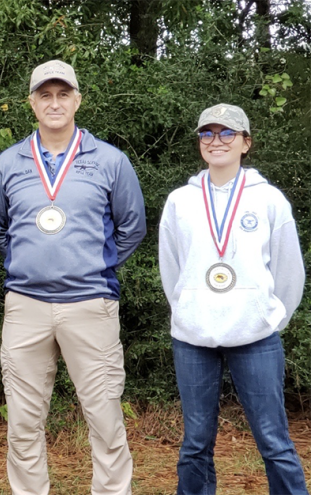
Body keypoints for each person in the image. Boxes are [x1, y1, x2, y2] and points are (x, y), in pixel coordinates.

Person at [0, 60, 145, 494]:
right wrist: (30, 261)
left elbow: (133, 226)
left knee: (105, 417)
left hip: (91, 304)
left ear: (77, 100)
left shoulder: (110, 160)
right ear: (32, 103)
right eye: (44, 95)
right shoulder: (8, 162)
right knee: (22, 421)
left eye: (62, 94)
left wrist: (96, 264)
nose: (54, 103)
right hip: (26, 307)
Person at [158, 104, 308, 494]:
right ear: (199, 143)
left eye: (227, 133)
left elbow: (290, 273)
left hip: (255, 336)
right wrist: (189, 310)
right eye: (207, 133)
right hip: (193, 338)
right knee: (195, 443)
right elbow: (171, 270)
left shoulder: (269, 199)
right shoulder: (180, 201)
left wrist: (270, 319)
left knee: (273, 440)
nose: (216, 141)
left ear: (246, 143)